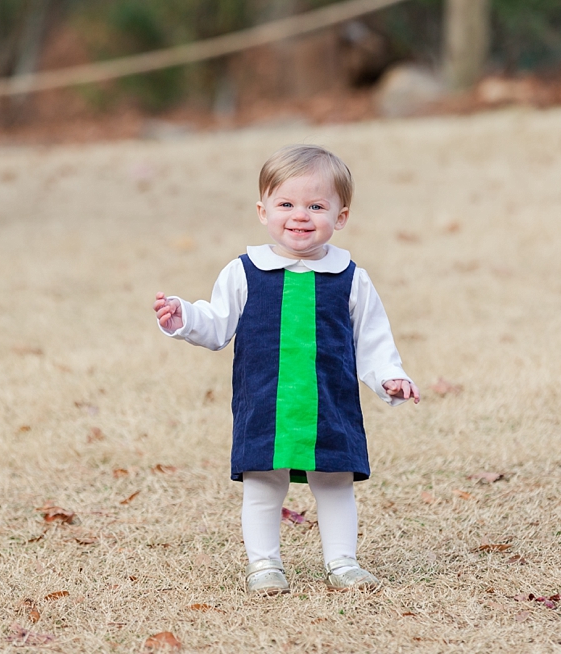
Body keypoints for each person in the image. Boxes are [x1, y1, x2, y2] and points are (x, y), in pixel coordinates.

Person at [153, 144, 419, 595]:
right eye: (286, 204)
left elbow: (372, 341)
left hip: (329, 405)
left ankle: (342, 562)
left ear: (341, 216)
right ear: (263, 211)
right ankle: (264, 565)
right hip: (265, 403)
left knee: (335, 483)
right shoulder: (244, 272)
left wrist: (390, 377)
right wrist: (185, 318)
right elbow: (217, 325)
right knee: (263, 484)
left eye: (316, 206)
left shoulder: (351, 277)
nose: (300, 215)